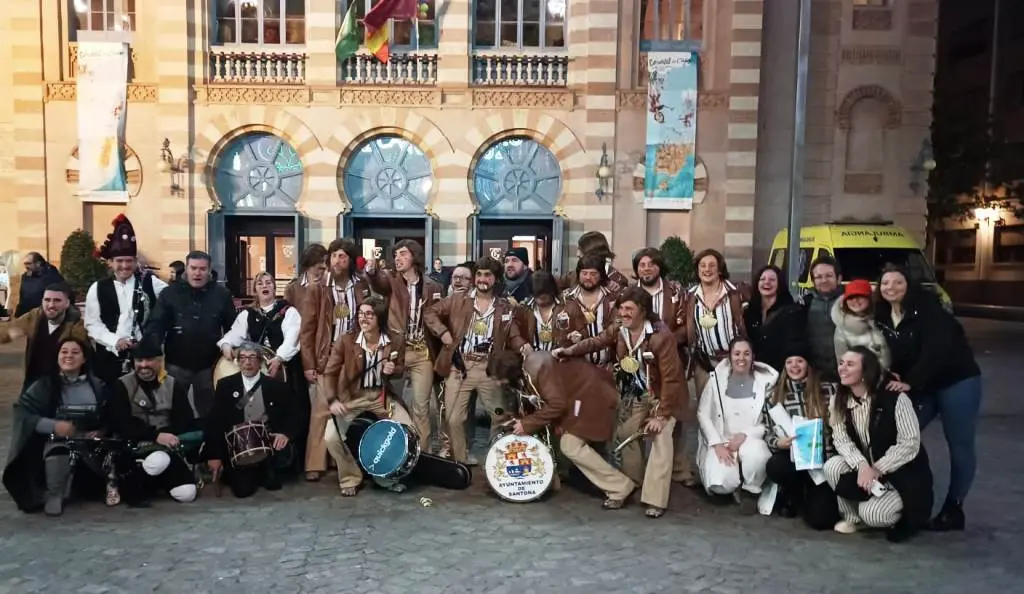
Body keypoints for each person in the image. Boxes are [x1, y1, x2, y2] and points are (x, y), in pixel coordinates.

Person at [554, 286, 682, 519]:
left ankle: (656, 500)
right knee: (625, 435)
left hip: (663, 396)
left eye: (629, 309)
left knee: (660, 436)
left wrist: (661, 415)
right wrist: (569, 350)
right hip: (634, 394)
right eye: (621, 308)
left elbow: (672, 379)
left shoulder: (661, 336)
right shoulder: (620, 329)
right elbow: (596, 342)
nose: (623, 313)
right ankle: (632, 484)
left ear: (643, 311)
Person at [873, 263, 981, 531]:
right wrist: (893, 376)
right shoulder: (882, 315)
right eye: (885, 283)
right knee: (902, 435)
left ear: (908, 285)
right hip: (922, 385)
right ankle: (903, 498)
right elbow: (889, 353)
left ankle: (954, 508)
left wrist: (910, 381)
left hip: (956, 380)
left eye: (897, 282)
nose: (891, 288)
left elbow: (937, 350)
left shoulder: (930, 310)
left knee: (959, 445)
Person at [487, 350, 635, 509]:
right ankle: (611, 483)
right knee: (570, 444)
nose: (498, 384)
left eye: (498, 378)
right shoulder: (529, 368)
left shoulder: (539, 368)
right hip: (583, 396)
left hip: (591, 396)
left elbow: (557, 404)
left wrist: (527, 424)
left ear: (509, 372)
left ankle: (620, 487)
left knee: (570, 445)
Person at [825, 346, 933, 543]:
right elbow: (840, 438)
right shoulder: (838, 399)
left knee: (874, 514)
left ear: (866, 370)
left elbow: (910, 443)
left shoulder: (895, 398)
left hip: (899, 473)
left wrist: (877, 468)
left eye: (850, 364)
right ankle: (853, 518)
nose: (842, 368)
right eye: (841, 363)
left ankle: (891, 512)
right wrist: (862, 465)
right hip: (866, 469)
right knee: (832, 466)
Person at [423, 256, 523, 464]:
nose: (482, 279)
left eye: (488, 274)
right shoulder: (458, 300)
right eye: (479, 274)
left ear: (496, 279)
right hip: (460, 367)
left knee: (499, 415)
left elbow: (513, 334)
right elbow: (430, 312)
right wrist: (443, 333)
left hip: (489, 369)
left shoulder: (504, 307)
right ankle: (460, 462)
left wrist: (524, 346)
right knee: (454, 418)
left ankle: (497, 462)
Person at [2, 338, 109, 516]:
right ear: (57, 357)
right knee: (58, 451)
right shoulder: (44, 385)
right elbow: (23, 413)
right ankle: (54, 494)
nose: (69, 356)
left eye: (75, 352)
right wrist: (53, 425)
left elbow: (109, 416)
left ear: (84, 359)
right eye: (64, 352)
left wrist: (100, 431)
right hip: (55, 444)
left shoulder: (97, 386)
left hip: (90, 447)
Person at [321, 296, 413, 496]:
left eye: (369, 314)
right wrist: (332, 400)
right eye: (361, 313)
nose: (363, 318)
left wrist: (394, 369)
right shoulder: (346, 340)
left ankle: (386, 476)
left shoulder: (395, 339)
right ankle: (350, 477)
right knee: (331, 437)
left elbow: (401, 369)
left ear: (380, 317)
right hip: (352, 398)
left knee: (408, 431)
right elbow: (330, 373)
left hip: (382, 397)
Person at [299, 238, 370, 481]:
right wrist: (308, 364)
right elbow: (306, 330)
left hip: (353, 355)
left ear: (350, 261)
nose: (337, 261)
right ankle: (314, 464)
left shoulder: (361, 287)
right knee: (321, 411)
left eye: (343, 256)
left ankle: (343, 458)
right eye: (334, 256)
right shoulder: (317, 288)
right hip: (326, 355)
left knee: (348, 410)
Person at [363, 240, 444, 453]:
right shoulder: (391, 281)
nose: (397, 258)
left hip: (422, 352)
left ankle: (423, 455)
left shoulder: (433, 286)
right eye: (396, 254)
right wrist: (371, 272)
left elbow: (437, 317)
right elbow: (378, 282)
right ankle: (392, 450)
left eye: (403, 254)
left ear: (414, 257)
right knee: (390, 403)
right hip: (397, 352)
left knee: (421, 408)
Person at [104, 338, 200, 507]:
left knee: (187, 493)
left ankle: (154, 483)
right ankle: (129, 483)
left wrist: (167, 435)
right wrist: (155, 435)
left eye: (149, 360)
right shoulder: (121, 385)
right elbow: (120, 422)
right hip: (134, 447)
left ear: (160, 361)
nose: (144, 365)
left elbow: (185, 419)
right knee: (159, 460)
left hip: (168, 446)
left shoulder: (173, 384)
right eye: (139, 360)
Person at [143, 251, 236, 419]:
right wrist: (151, 351)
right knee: (169, 411)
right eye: (193, 268)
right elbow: (156, 324)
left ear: (209, 270)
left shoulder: (222, 295)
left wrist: (230, 346)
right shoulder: (169, 293)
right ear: (186, 269)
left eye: (202, 269)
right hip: (176, 365)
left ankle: (208, 444)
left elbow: (233, 328)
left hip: (210, 366)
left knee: (210, 413)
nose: (197, 273)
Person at [632, 247, 695, 487]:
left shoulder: (677, 292)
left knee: (675, 414)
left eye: (651, 264)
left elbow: (686, 327)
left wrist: (664, 342)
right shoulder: (630, 293)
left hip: (671, 362)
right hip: (638, 365)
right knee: (637, 415)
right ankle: (639, 471)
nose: (646, 268)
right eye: (641, 264)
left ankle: (680, 469)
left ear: (659, 267)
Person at [205, 341, 297, 498]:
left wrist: (285, 433)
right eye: (243, 358)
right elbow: (214, 422)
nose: (247, 362)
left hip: (267, 445)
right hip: (238, 448)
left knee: (273, 484)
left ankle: (264, 469)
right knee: (243, 491)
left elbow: (294, 414)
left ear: (260, 361)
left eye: (252, 357)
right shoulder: (225, 385)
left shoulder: (276, 386)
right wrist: (214, 456)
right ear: (238, 361)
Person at [695, 337, 777, 514]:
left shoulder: (766, 384)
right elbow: (703, 414)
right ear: (730, 357)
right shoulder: (716, 380)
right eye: (737, 353)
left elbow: (770, 421)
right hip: (723, 441)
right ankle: (734, 480)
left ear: (753, 357)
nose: (742, 358)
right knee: (720, 484)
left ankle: (751, 488)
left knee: (758, 455)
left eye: (746, 354)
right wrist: (716, 444)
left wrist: (747, 434)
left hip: (750, 440)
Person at [762, 346, 839, 529]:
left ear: (808, 365)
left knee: (821, 521)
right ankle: (792, 492)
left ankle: (812, 495)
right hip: (793, 459)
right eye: (789, 362)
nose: (794, 366)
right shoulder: (774, 395)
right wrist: (779, 443)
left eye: (799, 361)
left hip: (822, 461)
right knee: (775, 466)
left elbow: (839, 427)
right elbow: (767, 432)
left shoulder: (828, 390)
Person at [85, 214, 168, 383]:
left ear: (136, 261)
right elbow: (92, 324)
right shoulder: (98, 288)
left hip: (144, 358)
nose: (124, 265)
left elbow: (173, 297)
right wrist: (115, 341)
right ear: (110, 262)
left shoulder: (150, 282)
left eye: (129, 260)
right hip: (109, 358)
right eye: (120, 261)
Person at [0, 282, 88, 392]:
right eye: (47, 300)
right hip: (32, 382)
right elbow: (5, 334)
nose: (51, 305)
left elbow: (83, 358)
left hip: (62, 386)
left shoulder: (77, 326)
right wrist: (10, 333)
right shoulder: (34, 316)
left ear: (67, 303)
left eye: (57, 300)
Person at [743, 264, 805, 373]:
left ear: (779, 284)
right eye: (762, 279)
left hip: (779, 372)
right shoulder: (749, 312)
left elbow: (794, 346)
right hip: (754, 372)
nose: (767, 282)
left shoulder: (792, 312)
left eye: (772, 280)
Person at [563, 254, 618, 370]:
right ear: (578, 274)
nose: (588, 277)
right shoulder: (565, 299)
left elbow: (617, 330)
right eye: (584, 273)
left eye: (593, 274)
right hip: (575, 367)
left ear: (601, 275)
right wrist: (569, 335)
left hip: (607, 367)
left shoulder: (613, 298)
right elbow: (558, 331)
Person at [511, 270, 586, 353]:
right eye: (538, 294)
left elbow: (584, 334)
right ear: (532, 293)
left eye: (545, 294)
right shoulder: (523, 310)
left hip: (562, 360)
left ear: (552, 290)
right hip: (533, 360)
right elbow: (513, 335)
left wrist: (579, 337)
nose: (541, 298)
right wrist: (522, 345)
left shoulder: (570, 307)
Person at [831, 278, 890, 369]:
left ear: (869, 298)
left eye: (860, 296)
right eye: (850, 297)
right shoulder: (842, 328)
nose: (855, 300)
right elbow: (843, 363)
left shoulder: (882, 318)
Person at [803, 256, 844, 382]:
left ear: (839, 278)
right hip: (814, 376)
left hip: (844, 374)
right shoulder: (805, 303)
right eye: (819, 277)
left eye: (829, 275)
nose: (824, 280)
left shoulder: (849, 301)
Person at [561, 232, 630, 294]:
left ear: (594, 253)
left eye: (580, 250)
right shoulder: (574, 274)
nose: (577, 254)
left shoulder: (617, 281)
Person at [15, 252, 65, 318]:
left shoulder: (52, 276)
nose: (26, 267)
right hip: (27, 316)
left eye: (29, 264)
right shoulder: (25, 276)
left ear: (38, 264)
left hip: (45, 316)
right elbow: (23, 295)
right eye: (25, 264)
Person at [284, 243, 327, 311]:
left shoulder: (329, 285)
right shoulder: (292, 289)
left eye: (326, 262)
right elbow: (287, 316)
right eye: (321, 262)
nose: (324, 266)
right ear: (309, 263)